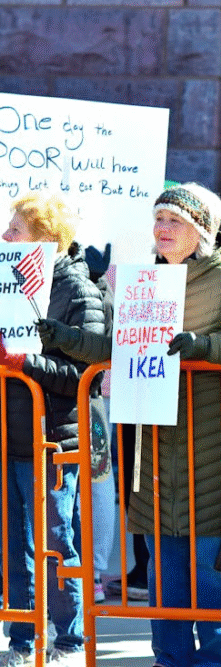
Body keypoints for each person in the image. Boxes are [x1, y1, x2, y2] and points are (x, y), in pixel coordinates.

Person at [39, 183, 221, 667]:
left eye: (174, 220)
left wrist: (204, 348)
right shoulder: (145, 282)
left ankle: (215, 663)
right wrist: (66, 338)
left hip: (216, 464)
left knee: (212, 587)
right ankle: (169, 661)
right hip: (156, 463)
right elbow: (118, 349)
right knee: (166, 588)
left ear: (203, 230)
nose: (162, 229)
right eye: (158, 220)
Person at [0, 193, 106, 666]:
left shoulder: (78, 291)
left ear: (45, 240)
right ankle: (21, 639)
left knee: (57, 543)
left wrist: (25, 363)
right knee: (13, 546)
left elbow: (87, 376)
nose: (5, 238)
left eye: (15, 230)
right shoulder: (6, 285)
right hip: (9, 435)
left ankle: (70, 638)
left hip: (51, 439)